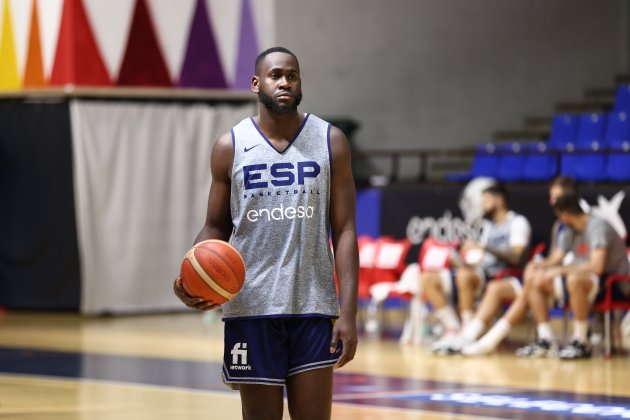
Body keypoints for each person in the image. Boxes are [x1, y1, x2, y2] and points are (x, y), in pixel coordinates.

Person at [173, 46, 359, 420]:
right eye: (276, 75)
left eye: (292, 75)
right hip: (250, 309)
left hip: (313, 307)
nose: (285, 82)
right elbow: (215, 227)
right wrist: (192, 276)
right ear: (257, 83)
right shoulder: (231, 146)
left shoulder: (330, 141)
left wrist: (350, 313)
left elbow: (346, 231)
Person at [459, 176, 578, 356]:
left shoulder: (518, 222)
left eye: (555, 195)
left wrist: (542, 266)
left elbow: (516, 256)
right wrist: (466, 256)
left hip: (515, 276)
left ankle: (476, 338)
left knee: (509, 284)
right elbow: (557, 256)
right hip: (495, 273)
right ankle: (466, 333)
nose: (551, 200)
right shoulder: (559, 224)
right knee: (463, 275)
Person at [518, 192, 629, 359]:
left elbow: (597, 267)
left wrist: (559, 270)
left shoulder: (597, 226)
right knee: (536, 281)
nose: (559, 220)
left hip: (614, 284)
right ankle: (546, 340)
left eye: (559, 216)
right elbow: (556, 259)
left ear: (565, 214)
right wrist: (538, 266)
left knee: (574, 279)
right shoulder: (571, 229)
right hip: (588, 281)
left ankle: (581, 341)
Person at [424, 183, 531, 354]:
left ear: (499, 200)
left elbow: (516, 257)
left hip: (502, 275)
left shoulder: (518, 222)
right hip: (481, 271)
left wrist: (483, 247)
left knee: (465, 276)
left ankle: (467, 333)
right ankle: (454, 328)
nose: (483, 205)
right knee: (429, 277)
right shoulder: (489, 227)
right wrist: (461, 260)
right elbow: (481, 258)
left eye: (486, 200)